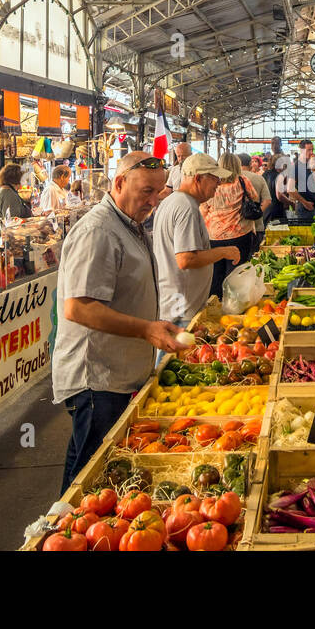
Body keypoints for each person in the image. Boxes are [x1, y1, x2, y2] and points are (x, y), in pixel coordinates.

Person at [51, 151, 187, 490]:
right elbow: (79, 308)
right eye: (146, 191)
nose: (154, 200)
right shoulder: (99, 231)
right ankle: (58, 535)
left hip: (115, 373)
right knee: (90, 474)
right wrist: (146, 328)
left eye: (159, 191)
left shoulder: (130, 224)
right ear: (119, 182)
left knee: (85, 463)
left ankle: (57, 529)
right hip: (97, 377)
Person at [152, 153, 242, 325]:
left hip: (175, 301)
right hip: (181, 307)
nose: (219, 183)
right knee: (174, 348)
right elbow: (186, 259)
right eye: (215, 178)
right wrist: (223, 252)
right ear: (199, 178)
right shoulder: (186, 208)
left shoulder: (172, 202)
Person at [203, 152, 264, 298]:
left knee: (216, 275)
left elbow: (203, 208)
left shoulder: (213, 182)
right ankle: (234, 306)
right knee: (236, 274)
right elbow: (254, 198)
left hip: (214, 235)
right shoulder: (242, 180)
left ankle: (215, 307)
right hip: (239, 234)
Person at [240, 153, 274, 243]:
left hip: (238, 228)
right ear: (250, 163)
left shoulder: (233, 178)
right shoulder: (259, 178)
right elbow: (268, 201)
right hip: (257, 226)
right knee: (255, 254)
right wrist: (257, 213)